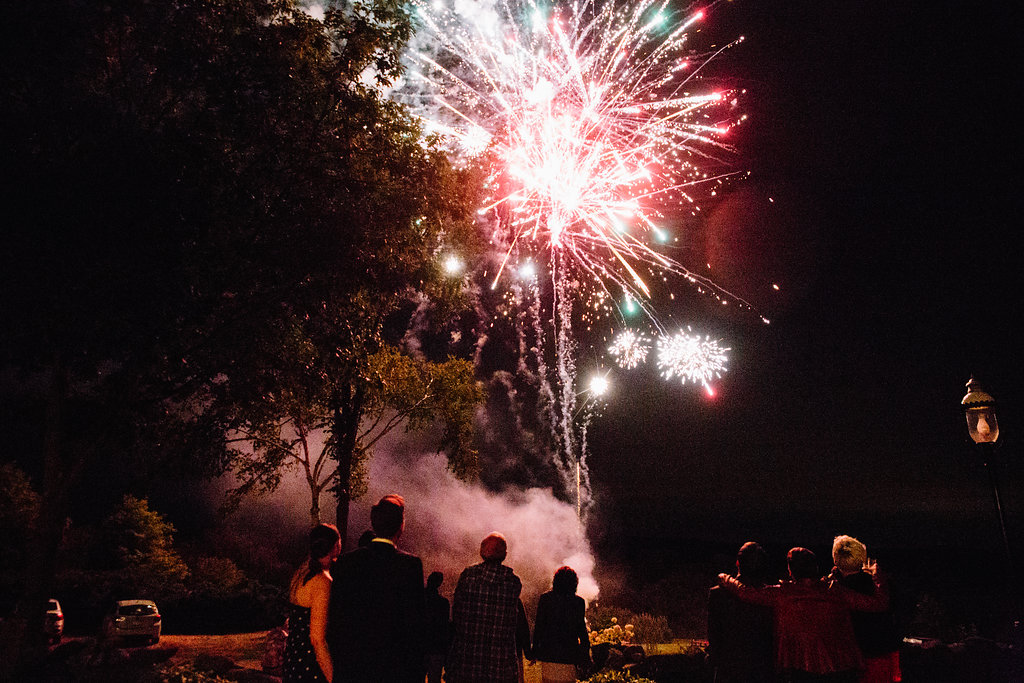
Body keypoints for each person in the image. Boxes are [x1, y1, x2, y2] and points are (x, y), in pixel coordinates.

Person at [719, 547, 889, 683]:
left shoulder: (782, 594)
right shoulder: (834, 591)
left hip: (799, 669)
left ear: (790, 570)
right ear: (815, 567)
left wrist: (725, 578)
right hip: (842, 668)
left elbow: (745, 593)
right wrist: (877, 576)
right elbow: (878, 604)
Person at [328, 494, 425, 683]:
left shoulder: (346, 562)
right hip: (394, 670)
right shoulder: (410, 566)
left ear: (373, 523)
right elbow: (415, 626)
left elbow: (336, 619)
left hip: (352, 668)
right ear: (401, 526)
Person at [446, 532, 528, 683]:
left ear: (482, 552)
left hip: (467, 664)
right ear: (504, 554)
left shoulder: (468, 577)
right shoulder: (513, 583)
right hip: (500, 667)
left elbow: (456, 615)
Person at [830, 536, 901, 683]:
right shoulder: (880, 585)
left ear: (836, 560)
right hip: (884, 653)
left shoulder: (834, 590)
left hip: (853, 658)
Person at [707, 541, 775, 683]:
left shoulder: (718, 594)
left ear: (738, 563)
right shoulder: (771, 597)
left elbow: (714, 635)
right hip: (762, 672)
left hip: (728, 671)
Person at [284, 523, 341, 683]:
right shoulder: (321, 581)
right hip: (310, 666)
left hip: (293, 661)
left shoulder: (301, 571)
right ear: (336, 546)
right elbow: (317, 639)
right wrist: (332, 677)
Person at [532, 566, 591, 683]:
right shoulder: (579, 602)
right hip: (569, 655)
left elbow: (539, 626)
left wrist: (534, 651)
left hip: (549, 653)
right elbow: (581, 630)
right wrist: (585, 654)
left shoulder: (545, 599)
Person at [424, 571, 450, 683]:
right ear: (440, 584)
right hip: (436, 647)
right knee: (434, 679)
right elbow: (444, 626)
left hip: (419, 646)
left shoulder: (417, 599)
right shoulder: (443, 603)